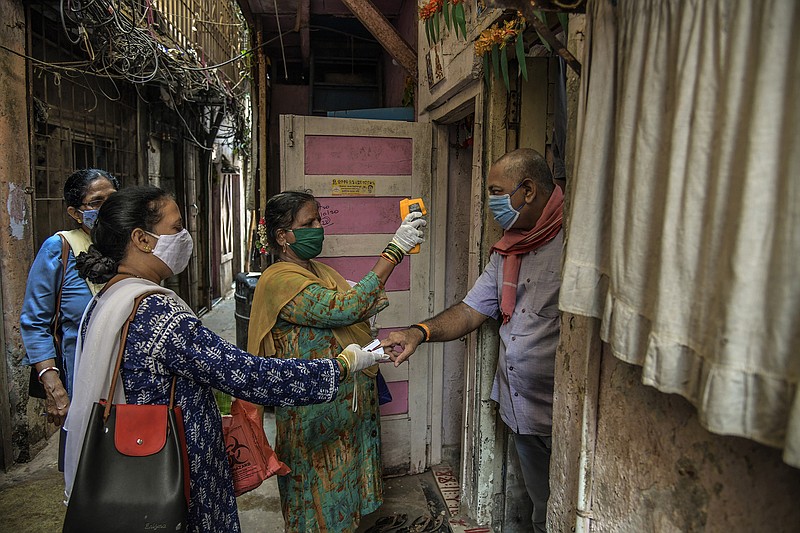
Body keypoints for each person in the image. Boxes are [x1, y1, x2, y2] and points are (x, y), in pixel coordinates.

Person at [64, 186, 382, 532]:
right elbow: (247, 374)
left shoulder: (109, 298)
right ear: (141, 239)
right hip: (174, 472)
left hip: (136, 463)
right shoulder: (156, 311)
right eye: (176, 228)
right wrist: (339, 367)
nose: (185, 237)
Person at [381, 148, 563, 533]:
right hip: (522, 410)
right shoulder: (508, 249)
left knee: (561, 513)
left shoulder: (573, 243)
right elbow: (471, 310)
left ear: (527, 190)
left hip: (564, 417)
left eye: (497, 191)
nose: (491, 202)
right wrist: (419, 332)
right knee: (541, 509)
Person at [247, 190, 426, 532]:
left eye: (318, 220)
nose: (319, 228)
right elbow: (346, 308)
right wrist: (395, 249)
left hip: (344, 409)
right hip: (314, 415)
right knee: (317, 502)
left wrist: (373, 350)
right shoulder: (279, 281)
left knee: (342, 497)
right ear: (282, 236)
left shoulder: (317, 271)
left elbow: (347, 320)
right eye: (308, 223)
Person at [21, 168, 119, 426]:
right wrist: (53, 385)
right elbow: (34, 323)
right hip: (82, 378)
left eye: (113, 199)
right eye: (97, 202)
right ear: (76, 213)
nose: (108, 208)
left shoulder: (127, 246)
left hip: (126, 377)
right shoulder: (59, 248)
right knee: (87, 453)